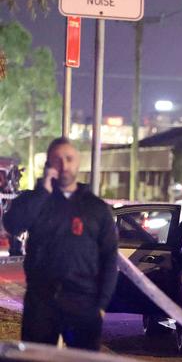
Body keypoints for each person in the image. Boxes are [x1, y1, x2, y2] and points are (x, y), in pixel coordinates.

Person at [2, 137, 118, 350]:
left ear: (78, 162)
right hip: (41, 301)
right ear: (48, 164)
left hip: (83, 301)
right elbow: (13, 224)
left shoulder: (96, 208)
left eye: (69, 159)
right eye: (57, 159)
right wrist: (42, 191)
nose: (64, 165)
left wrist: (101, 304)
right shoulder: (35, 200)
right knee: (36, 357)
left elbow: (110, 257)